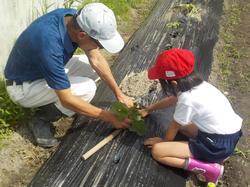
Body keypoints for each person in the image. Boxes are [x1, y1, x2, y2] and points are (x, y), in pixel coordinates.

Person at [4, 3, 134, 148]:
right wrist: (109, 117)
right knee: (87, 89)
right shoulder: (49, 44)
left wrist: (119, 94)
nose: (99, 48)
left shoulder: (74, 18)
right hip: (23, 86)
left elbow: (96, 59)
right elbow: (66, 99)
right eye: (100, 44)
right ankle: (41, 118)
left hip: (41, 69)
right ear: (82, 35)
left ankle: (54, 104)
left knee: (90, 67)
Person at [140, 48, 242, 184]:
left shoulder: (187, 99)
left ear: (173, 82)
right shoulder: (200, 86)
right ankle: (215, 155)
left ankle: (208, 168)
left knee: (158, 151)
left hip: (216, 146)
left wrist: (164, 142)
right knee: (184, 127)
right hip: (229, 137)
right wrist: (149, 109)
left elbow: (174, 125)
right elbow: (173, 100)